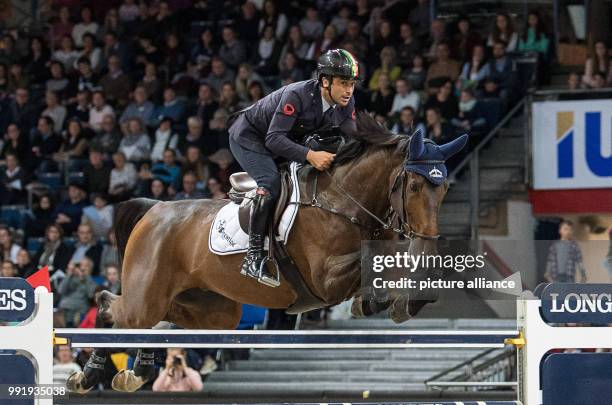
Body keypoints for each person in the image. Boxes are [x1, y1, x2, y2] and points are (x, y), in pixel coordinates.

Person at [228, 49, 358, 287]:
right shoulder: (297, 95)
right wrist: (310, 155)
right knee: (270, 183)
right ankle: (253, 257)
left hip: (285, 139)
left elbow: (352, 136)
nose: (348, 90)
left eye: (351, 83)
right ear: (325, 81)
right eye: (343, 83)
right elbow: (273, 139)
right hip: (249, 137)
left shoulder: (344, 102)